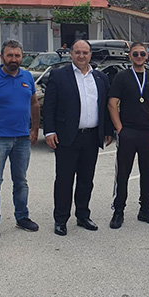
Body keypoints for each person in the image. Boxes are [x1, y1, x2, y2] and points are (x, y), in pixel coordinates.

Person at [43, 40, 114, 236]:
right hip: (67, 137)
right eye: (77, 52)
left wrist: (107, 130)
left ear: (90, 54)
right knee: (64, 180)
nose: (81, 56)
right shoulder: (59, 75)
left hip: (91, 137)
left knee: (86, 180)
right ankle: (61, 219)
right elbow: (49, 106)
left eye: (85, 52)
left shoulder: (100, 77)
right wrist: (49, 131)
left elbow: (105, 107)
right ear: (71, 54)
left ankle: (83, 215)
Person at [0, 40, 40, 239]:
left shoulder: (27, 77)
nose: (13, 59)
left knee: (21, 181)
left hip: (22, 139)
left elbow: (34, 104)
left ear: (22, 57)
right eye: (10, 55)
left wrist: (34, 129)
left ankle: (22, 217)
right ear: (2, 57)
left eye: (17, 55)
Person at [108, 42, 149, 229]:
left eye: (142, 53)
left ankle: (145, 209)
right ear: (130, 56)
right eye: (135, 54)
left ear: (147, 56)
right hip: (128, 131)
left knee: (147, 173)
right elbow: (112, 103)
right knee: (123, 173)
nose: (139, 57)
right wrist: (120, 129)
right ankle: (118, 210)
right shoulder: (122, 77)